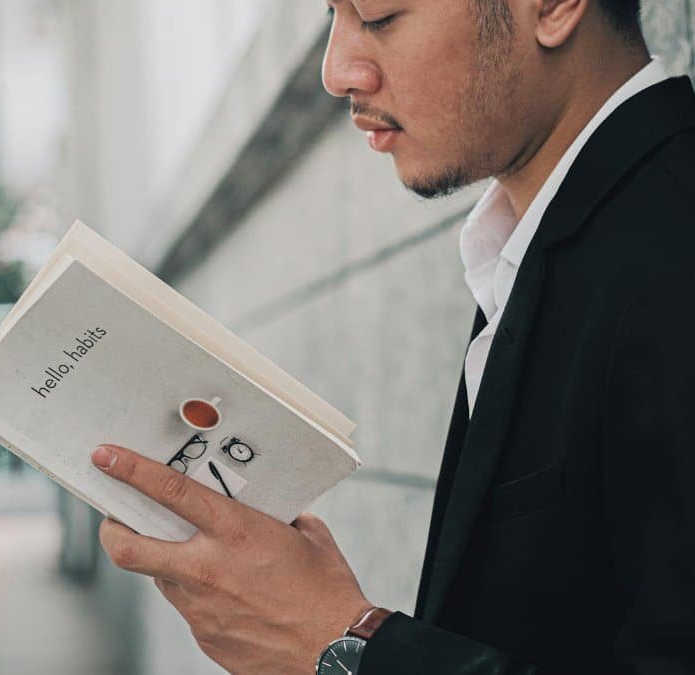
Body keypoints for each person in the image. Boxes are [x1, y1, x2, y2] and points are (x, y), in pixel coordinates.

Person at [91, 0, 695, 672]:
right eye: (331, 13)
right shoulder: (533, 249)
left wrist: (337, 642)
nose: (335, 71)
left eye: (378, 16)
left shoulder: (673, 250)